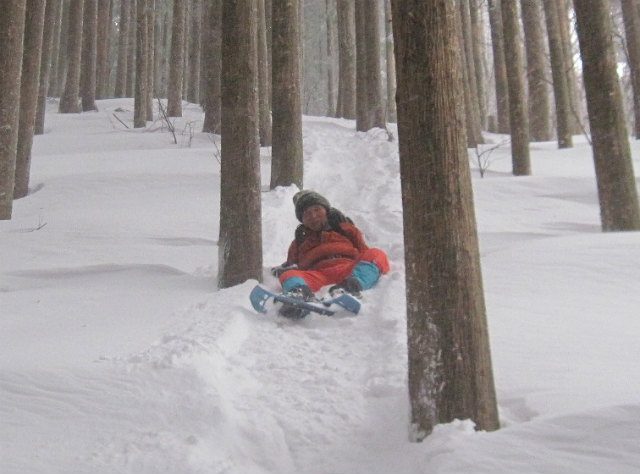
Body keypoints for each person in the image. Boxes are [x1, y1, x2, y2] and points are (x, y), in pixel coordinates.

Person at [271, 190, 389, 316]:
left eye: (317, 210)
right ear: (302, 220)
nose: (313, 216)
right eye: (307, 213)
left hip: (348, 269)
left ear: (326, 211)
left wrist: (345, 226)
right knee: (288, 275)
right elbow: (292, 265)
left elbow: (364, 251)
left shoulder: (344, 228)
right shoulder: (299, 241)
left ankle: (351, 287)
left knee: (376, 254)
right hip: (319, 274)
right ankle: (298, 298)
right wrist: (285, 271)